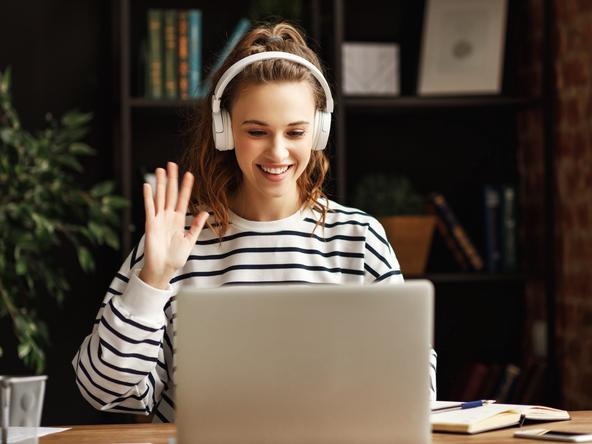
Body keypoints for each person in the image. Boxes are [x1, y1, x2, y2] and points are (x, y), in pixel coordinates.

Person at [72, 21, 437, 423]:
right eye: (257, 131)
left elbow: (416, 391)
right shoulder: (177, 240)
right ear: (225, 130)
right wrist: (153, 280)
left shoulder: (359, 238)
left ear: (319, 131)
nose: (277, 152)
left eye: (295, 131)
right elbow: (100, 389)